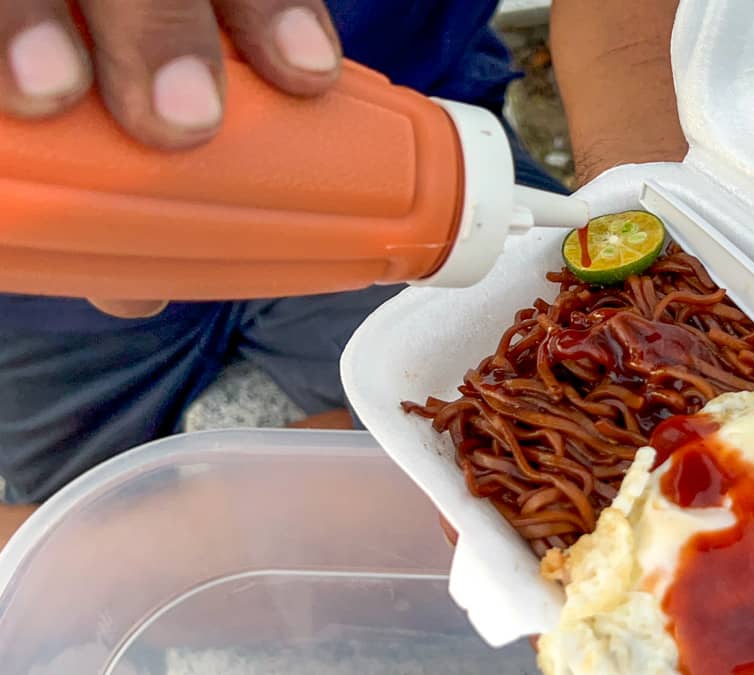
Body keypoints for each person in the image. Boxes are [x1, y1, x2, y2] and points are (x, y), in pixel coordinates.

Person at [0, 1, 686, 518]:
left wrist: (650, 190)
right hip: (42, 260)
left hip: (419, 132)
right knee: (81, 507)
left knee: (508, 433)